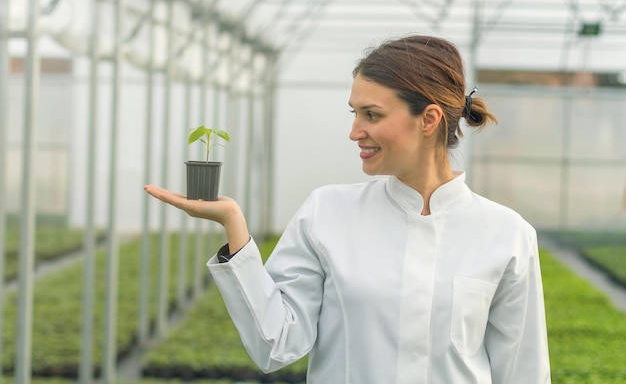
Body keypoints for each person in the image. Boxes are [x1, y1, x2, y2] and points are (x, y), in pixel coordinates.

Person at [145, 35, 551, 384]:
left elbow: (524, 372)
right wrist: (233, 225)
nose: (355, 131)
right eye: (354, 112)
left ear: (428, 119)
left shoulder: (507, 234)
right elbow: (277, 344)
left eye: (371, 114)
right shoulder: (327, 212)